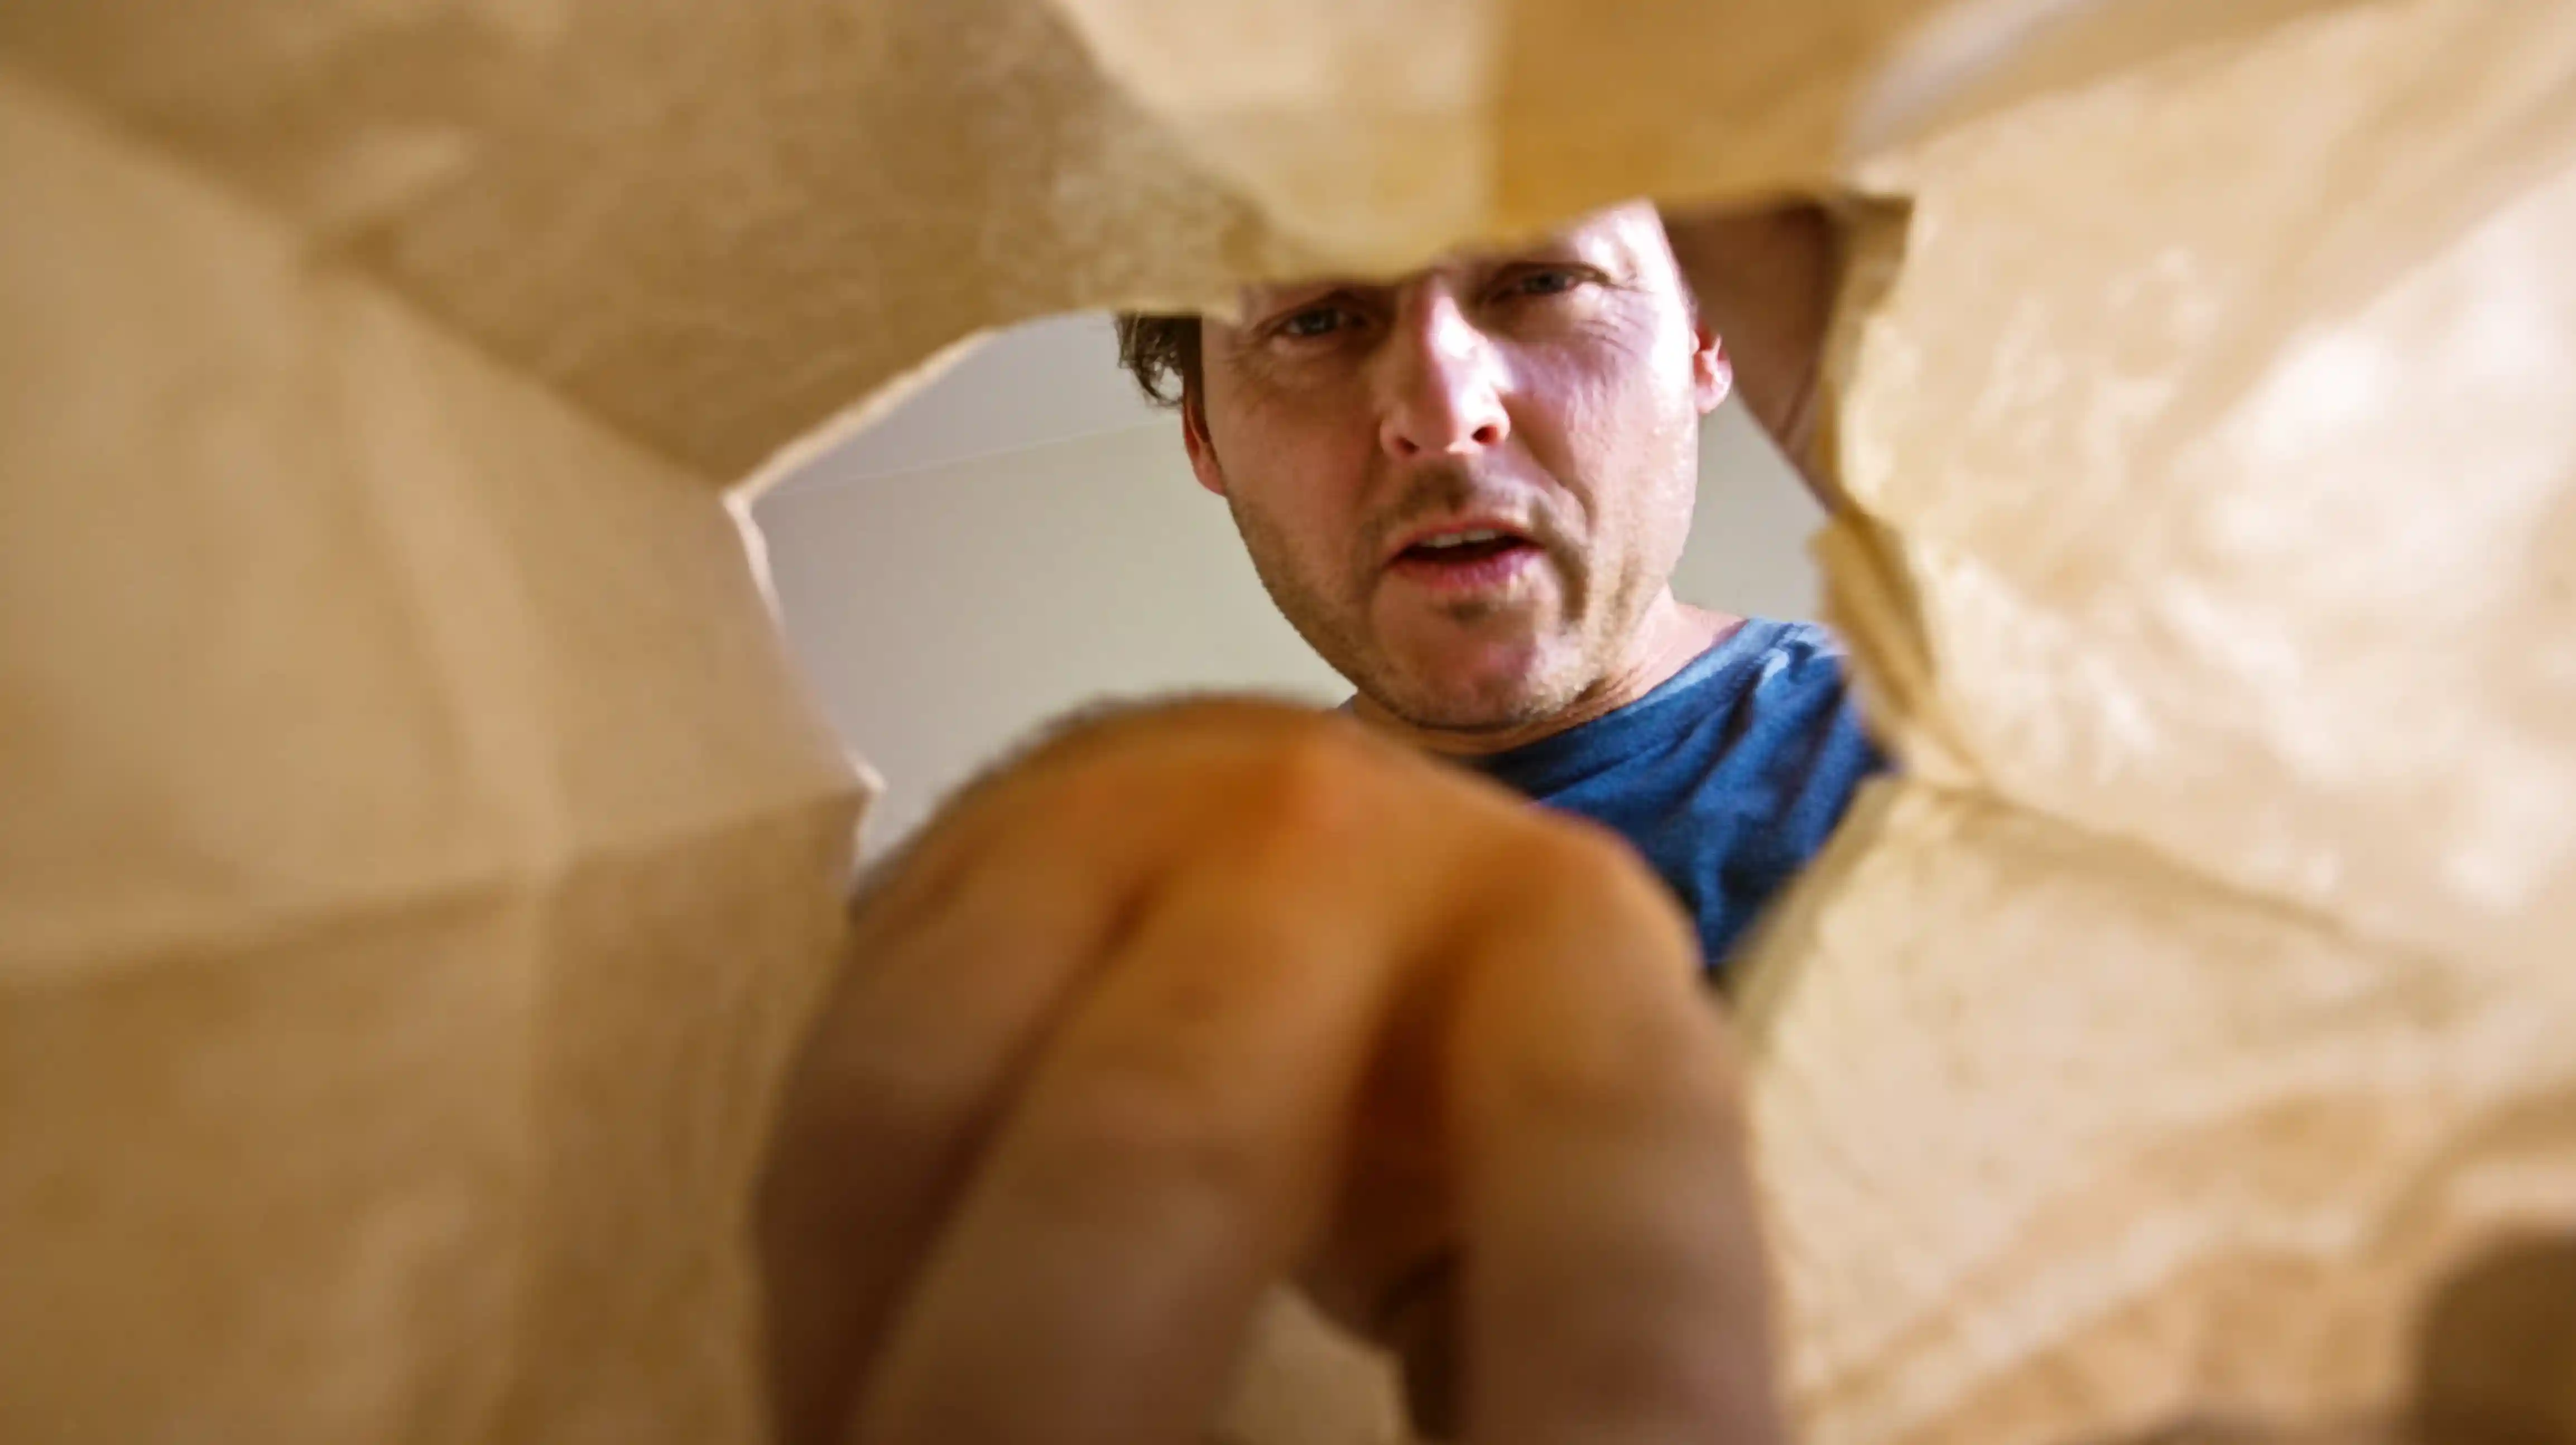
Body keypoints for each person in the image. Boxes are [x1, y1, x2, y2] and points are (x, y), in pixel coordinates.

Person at [756, 200, 1878, 1444]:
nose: (1443, 410)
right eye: (1320, 319)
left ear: (1705, 338)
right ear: (1203, 432)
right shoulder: (1134, 931)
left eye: (1539, 282)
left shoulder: (1949, 771)